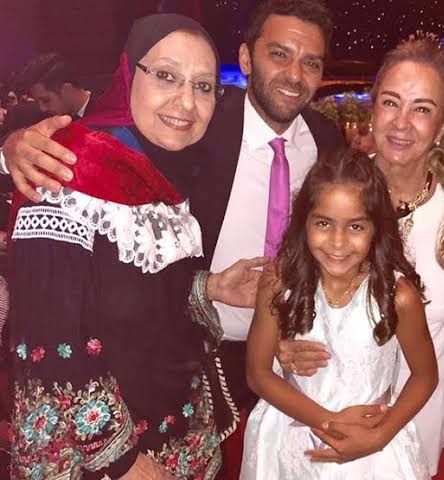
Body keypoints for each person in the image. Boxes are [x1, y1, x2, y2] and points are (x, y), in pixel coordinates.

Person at [1, 0, 343, 474]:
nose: (186, 102)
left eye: (202, 85)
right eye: (165, 76)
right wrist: (11, 149)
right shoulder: (77, 168)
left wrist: (212, 286)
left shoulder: (323, 140)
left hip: (209, 389)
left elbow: (143, 283)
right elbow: (54, 335)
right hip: (123, 433)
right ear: (246, 59)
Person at [278, 36, 444, 476]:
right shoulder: (333, 191)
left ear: (443, 124)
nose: (401, 123)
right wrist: (282, 346)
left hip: (419, 413)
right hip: (331, 412)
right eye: (391, 102)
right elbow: (287, 286)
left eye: (422, 109)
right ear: (373, 109)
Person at [241, 148, 438, 479]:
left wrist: (380, 436)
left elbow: (425, 375)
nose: (337, 242)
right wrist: (328, 423)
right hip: (292, 441)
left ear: (376, 229)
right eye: (323, 223)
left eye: (355, 227)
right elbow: (257, 373)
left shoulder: (397, 296)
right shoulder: (278, 282)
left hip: (372, 449)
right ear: (304, 222)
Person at [19, 52, 94, 118]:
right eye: (37, 102)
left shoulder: (100, 114)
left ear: (67, 90)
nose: (42, 109)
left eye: (46, 100)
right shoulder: (47, 120)